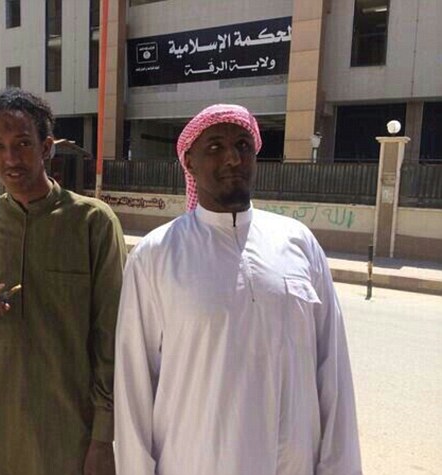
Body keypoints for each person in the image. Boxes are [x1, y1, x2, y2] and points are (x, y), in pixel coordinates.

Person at [114, 104, 362, 475]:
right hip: (195, 462)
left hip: (291, 463)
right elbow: (133, 384)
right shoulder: (157, 254)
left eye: (244, 145)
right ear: (190, 163)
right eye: (214, 147)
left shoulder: (298, 242)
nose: (233, 157)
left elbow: (333, 371)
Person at [0, 88, 126, 475]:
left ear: (46, 147)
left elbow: (113, 340)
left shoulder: (93, 223)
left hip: (64, 432)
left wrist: (103, 439)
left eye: (22, 143)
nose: (10, 157)